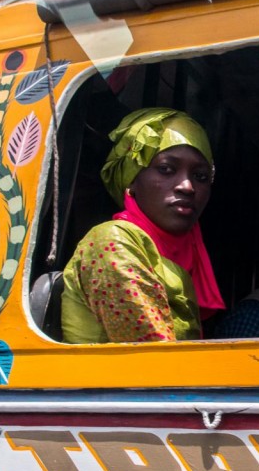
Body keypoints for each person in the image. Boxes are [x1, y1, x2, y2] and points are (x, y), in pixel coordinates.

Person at [61, 108, 224, 343]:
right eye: (166, 169)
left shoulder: (185, 258)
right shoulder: (112, 242)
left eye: (200, 176)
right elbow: (156, 362)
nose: (188, 187)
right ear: (132, 180)